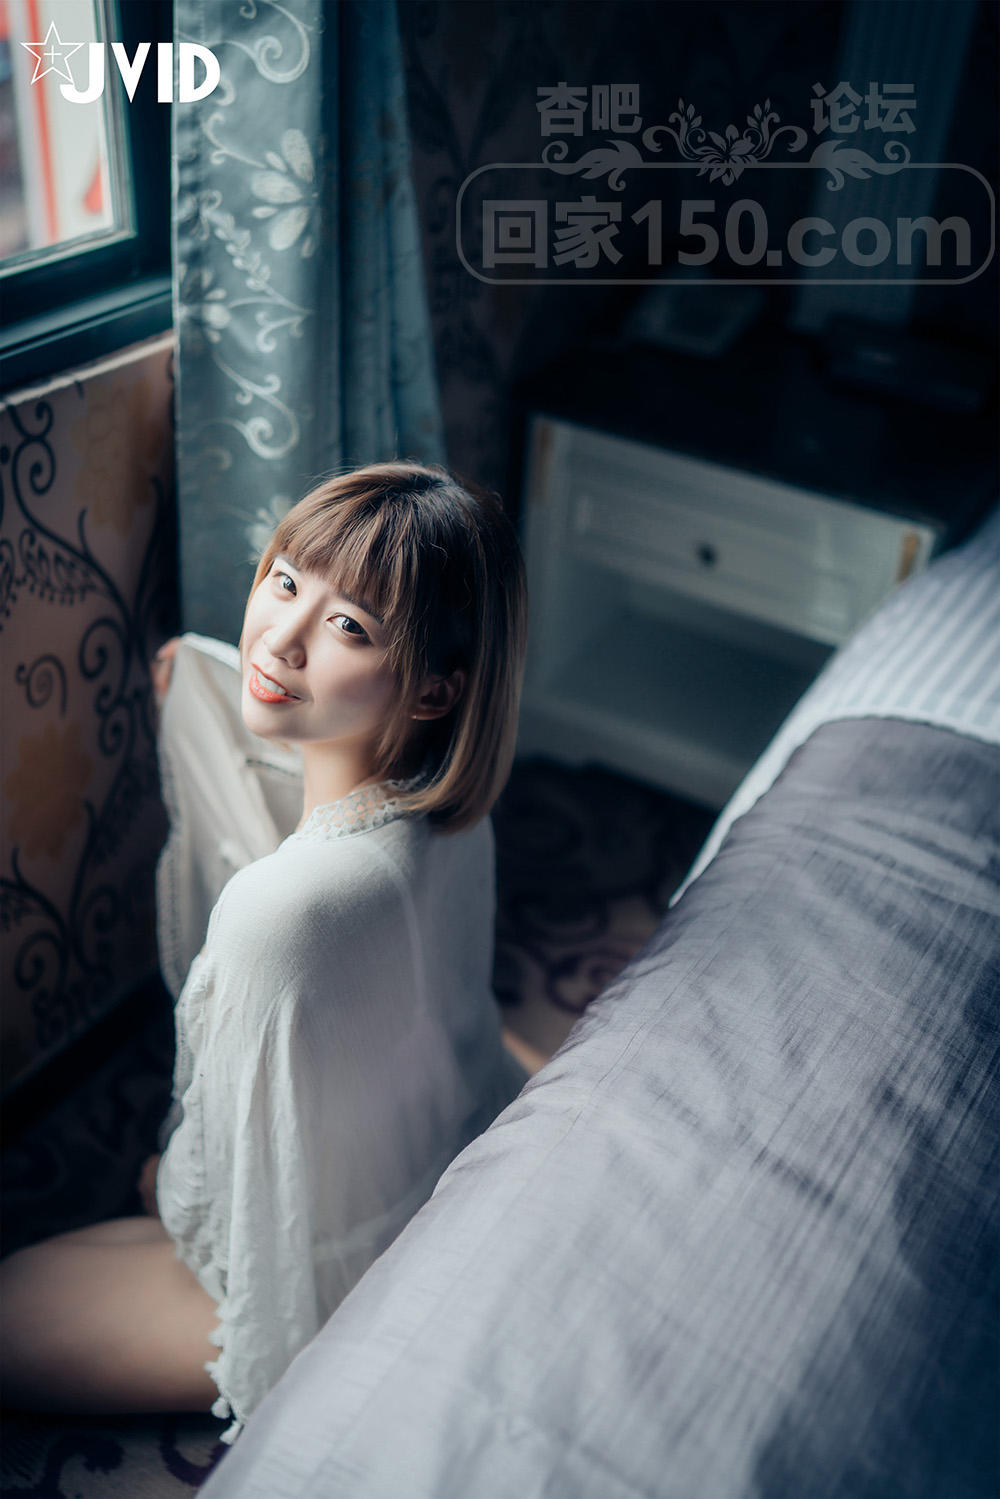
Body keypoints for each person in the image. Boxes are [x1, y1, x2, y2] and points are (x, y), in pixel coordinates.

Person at [0, 461, 536, 1444]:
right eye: (285, 580)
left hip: (331, 1278)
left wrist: (177, 1188)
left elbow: (231, 1176)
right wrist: (206, 677)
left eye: (350, 627)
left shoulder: (281, 908)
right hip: (443, 1146)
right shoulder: (456, 807)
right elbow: (285, 741)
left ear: (432, 689)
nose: (280, 639)